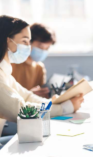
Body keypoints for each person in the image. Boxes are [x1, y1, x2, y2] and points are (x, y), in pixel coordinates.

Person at [0, 15, 84, 148]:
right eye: (25, 41)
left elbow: (27, 96)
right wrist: (64, 108)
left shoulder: (4, 71)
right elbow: (20, 110)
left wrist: (54, 103)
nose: (28, 47)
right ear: (8, 41)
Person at [11, 23, 55, 98]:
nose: (43, 50)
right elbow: (5, 96)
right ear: (28, 42)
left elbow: (41, 96)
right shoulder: (12, 63)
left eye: (47, 48)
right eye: (40, 46)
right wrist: (29, 95)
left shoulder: (39, 68)